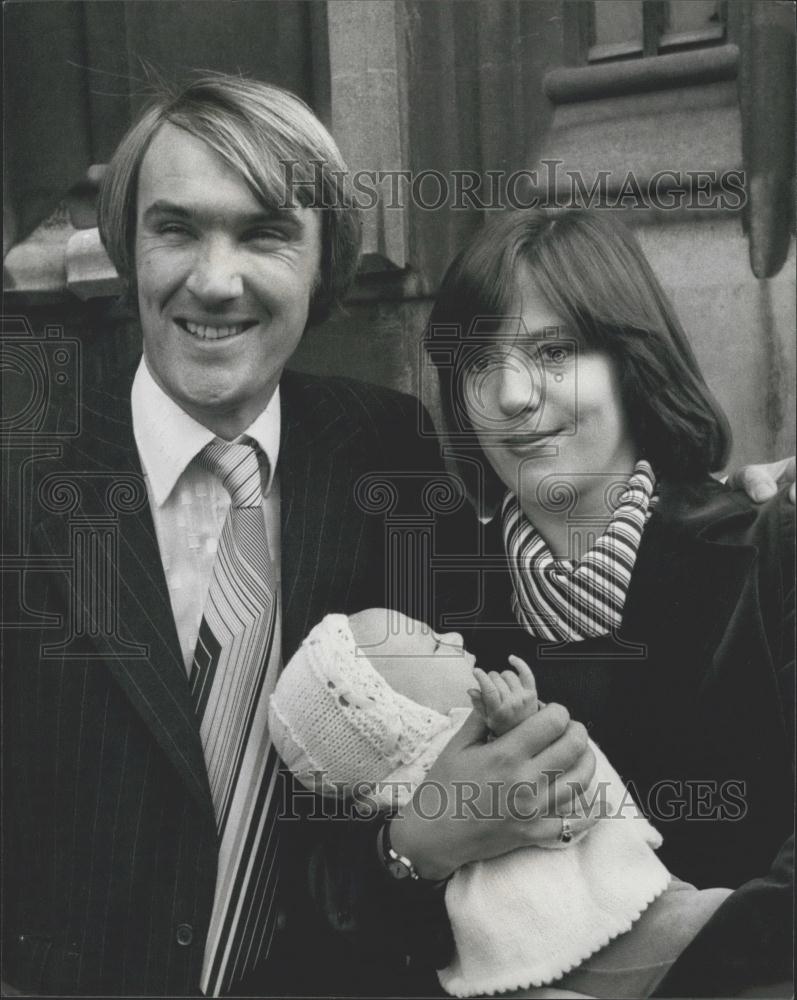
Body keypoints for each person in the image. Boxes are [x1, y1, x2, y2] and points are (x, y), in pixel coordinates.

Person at [0, 74, 790, 997]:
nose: (215, 281)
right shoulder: (26, 471)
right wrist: (416, 843)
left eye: (264, 232)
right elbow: (383, 846)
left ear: (323, 262)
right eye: (176, 227)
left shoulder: (390, 465)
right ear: (128, 248)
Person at [418, 207, 794, 998]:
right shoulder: (437, 615)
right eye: (479, 364)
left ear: (630, 359)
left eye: (552, 352)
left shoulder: (764, 556)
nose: (514, 396)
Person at [269, 608, 733, 999]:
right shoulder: (430, 772)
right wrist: (516, 724)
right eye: (431, 644)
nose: (453, 636)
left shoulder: (399, 788)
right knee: (726, 929)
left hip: (536, 947)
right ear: (395, 712)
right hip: (567, 927)